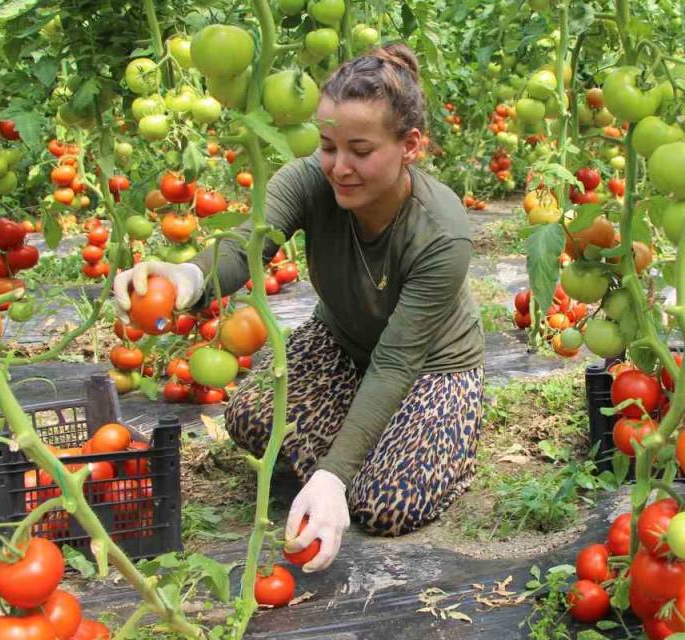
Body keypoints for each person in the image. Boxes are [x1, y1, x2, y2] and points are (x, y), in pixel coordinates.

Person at [113, 44, 485, 570]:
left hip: (431, 368)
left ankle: (428, 447)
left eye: (360, 149)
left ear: (411, 146)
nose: (339, 167)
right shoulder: (311, 178)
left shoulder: (441, 233)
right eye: (328, 146)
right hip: (341, 343)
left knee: (384, 506)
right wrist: (184, 278)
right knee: (248, 417)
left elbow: (398, 363)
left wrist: (332, 475)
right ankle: (361, 442)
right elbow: (247, 244)